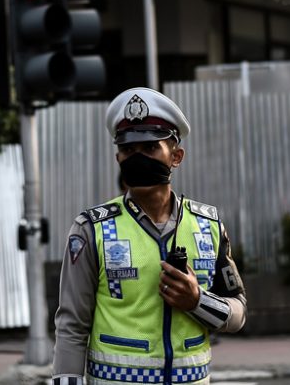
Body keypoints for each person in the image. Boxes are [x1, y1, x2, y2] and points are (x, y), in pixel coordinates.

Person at [52, 87, 246, 385]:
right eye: (129, 150)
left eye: (150, 148)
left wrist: (196, 300)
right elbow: (71, 327)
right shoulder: (92, 228)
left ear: (176, 156)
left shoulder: (208, 225)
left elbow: (238, 313)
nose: (137, 158)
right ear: (118, 156)